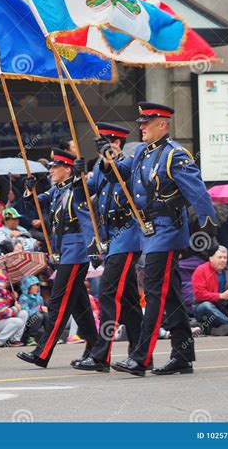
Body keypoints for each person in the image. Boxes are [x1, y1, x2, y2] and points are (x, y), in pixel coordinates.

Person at [97, 102, 218, 377]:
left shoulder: (175, 155)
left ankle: (141, 357)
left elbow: (198, 192)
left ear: (162, 125)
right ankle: (183, 355)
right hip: (149, 233)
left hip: (167, 232)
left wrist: (209, 228)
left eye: (146, 122)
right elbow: (121, 171)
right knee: (171, 295)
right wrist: (107, 153)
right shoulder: (142, 152)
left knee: (153, 292)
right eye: (141, 122)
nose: (141, 126)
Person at [71, 123, 145, 373]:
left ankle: (101, 354)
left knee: (107, 292)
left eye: (108, 143)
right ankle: (141, 356)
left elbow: (121, 174)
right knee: (129, 300)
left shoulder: (131, 161)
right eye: (100, 144)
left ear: (118, 143)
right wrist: (77, 177)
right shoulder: (99, 166)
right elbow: (84, 196)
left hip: (129, 235)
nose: (103, 148)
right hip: (111, 237)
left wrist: (110, 158)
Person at [16, 148, 98, 368]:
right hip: (63, 250)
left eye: (55, 167)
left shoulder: (78, 188)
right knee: (79, 304)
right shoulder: (56, 191)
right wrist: (28, 189)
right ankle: (96, 347)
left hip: (77, 250)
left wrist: (81, 176)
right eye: (50, 167)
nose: (51, 171)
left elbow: (87, 198)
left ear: (68, 169)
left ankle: (42, 352)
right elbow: (34, 203)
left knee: (58, 302)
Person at [0, 270, 28, 347]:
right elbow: (4, 313)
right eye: (3, 280)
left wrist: (13, 298)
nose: (6, 282)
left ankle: (14, 340)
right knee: (17, 321)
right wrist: (16, 308)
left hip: (2, 320)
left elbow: (8, 302)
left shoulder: (3, 291)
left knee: (23, 313)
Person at [18, 275, 48, 346]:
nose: (36, 287)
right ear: (27, 287)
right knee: (38, 316)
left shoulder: (39, 298)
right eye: (33, 286)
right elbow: (26, 313)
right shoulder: (23, 298)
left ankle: (50, 336)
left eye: (37, 285)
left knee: (47, 315)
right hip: (28, 324)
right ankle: (30, 337)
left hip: (38, 322)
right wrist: (39, 308)